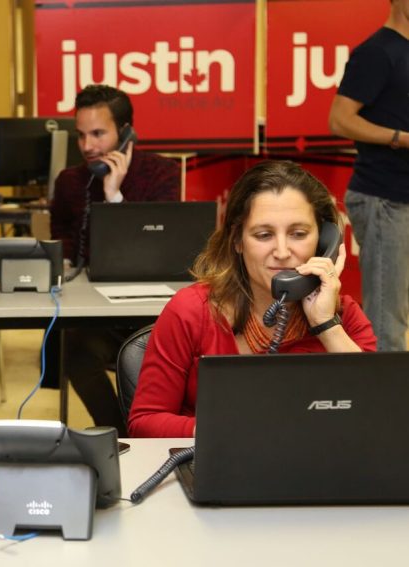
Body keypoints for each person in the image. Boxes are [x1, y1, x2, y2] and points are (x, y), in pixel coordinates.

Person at [128, 160, 377, 438]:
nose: (282, 251)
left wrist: (325, 324)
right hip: (216, 468)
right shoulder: (191, 311)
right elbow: (144, 422)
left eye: (298, 234)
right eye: (263, 234)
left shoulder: (345, 316)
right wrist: (230, 433)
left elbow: (379, 418)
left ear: (323, 241)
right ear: (237, 240)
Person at [49, 84, 180, 436]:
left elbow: (161, 249)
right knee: (73, 350)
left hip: (152, 314)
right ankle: (119, 432)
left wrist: (115, 198)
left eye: (98, 134)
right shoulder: (70, 181)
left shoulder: (162, 174)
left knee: (162, 358)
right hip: (97, 313)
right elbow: (60, 239)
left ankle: (145, 429)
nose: (87, 146)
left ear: (125, 133)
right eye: (80, 135)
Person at [328, 0, 409, 352]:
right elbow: (340, 119)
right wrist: (400, 138)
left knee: (396, 316)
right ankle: (385, 404)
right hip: (385, 199)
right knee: (385, 322)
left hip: (399, 198)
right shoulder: (377, 52)